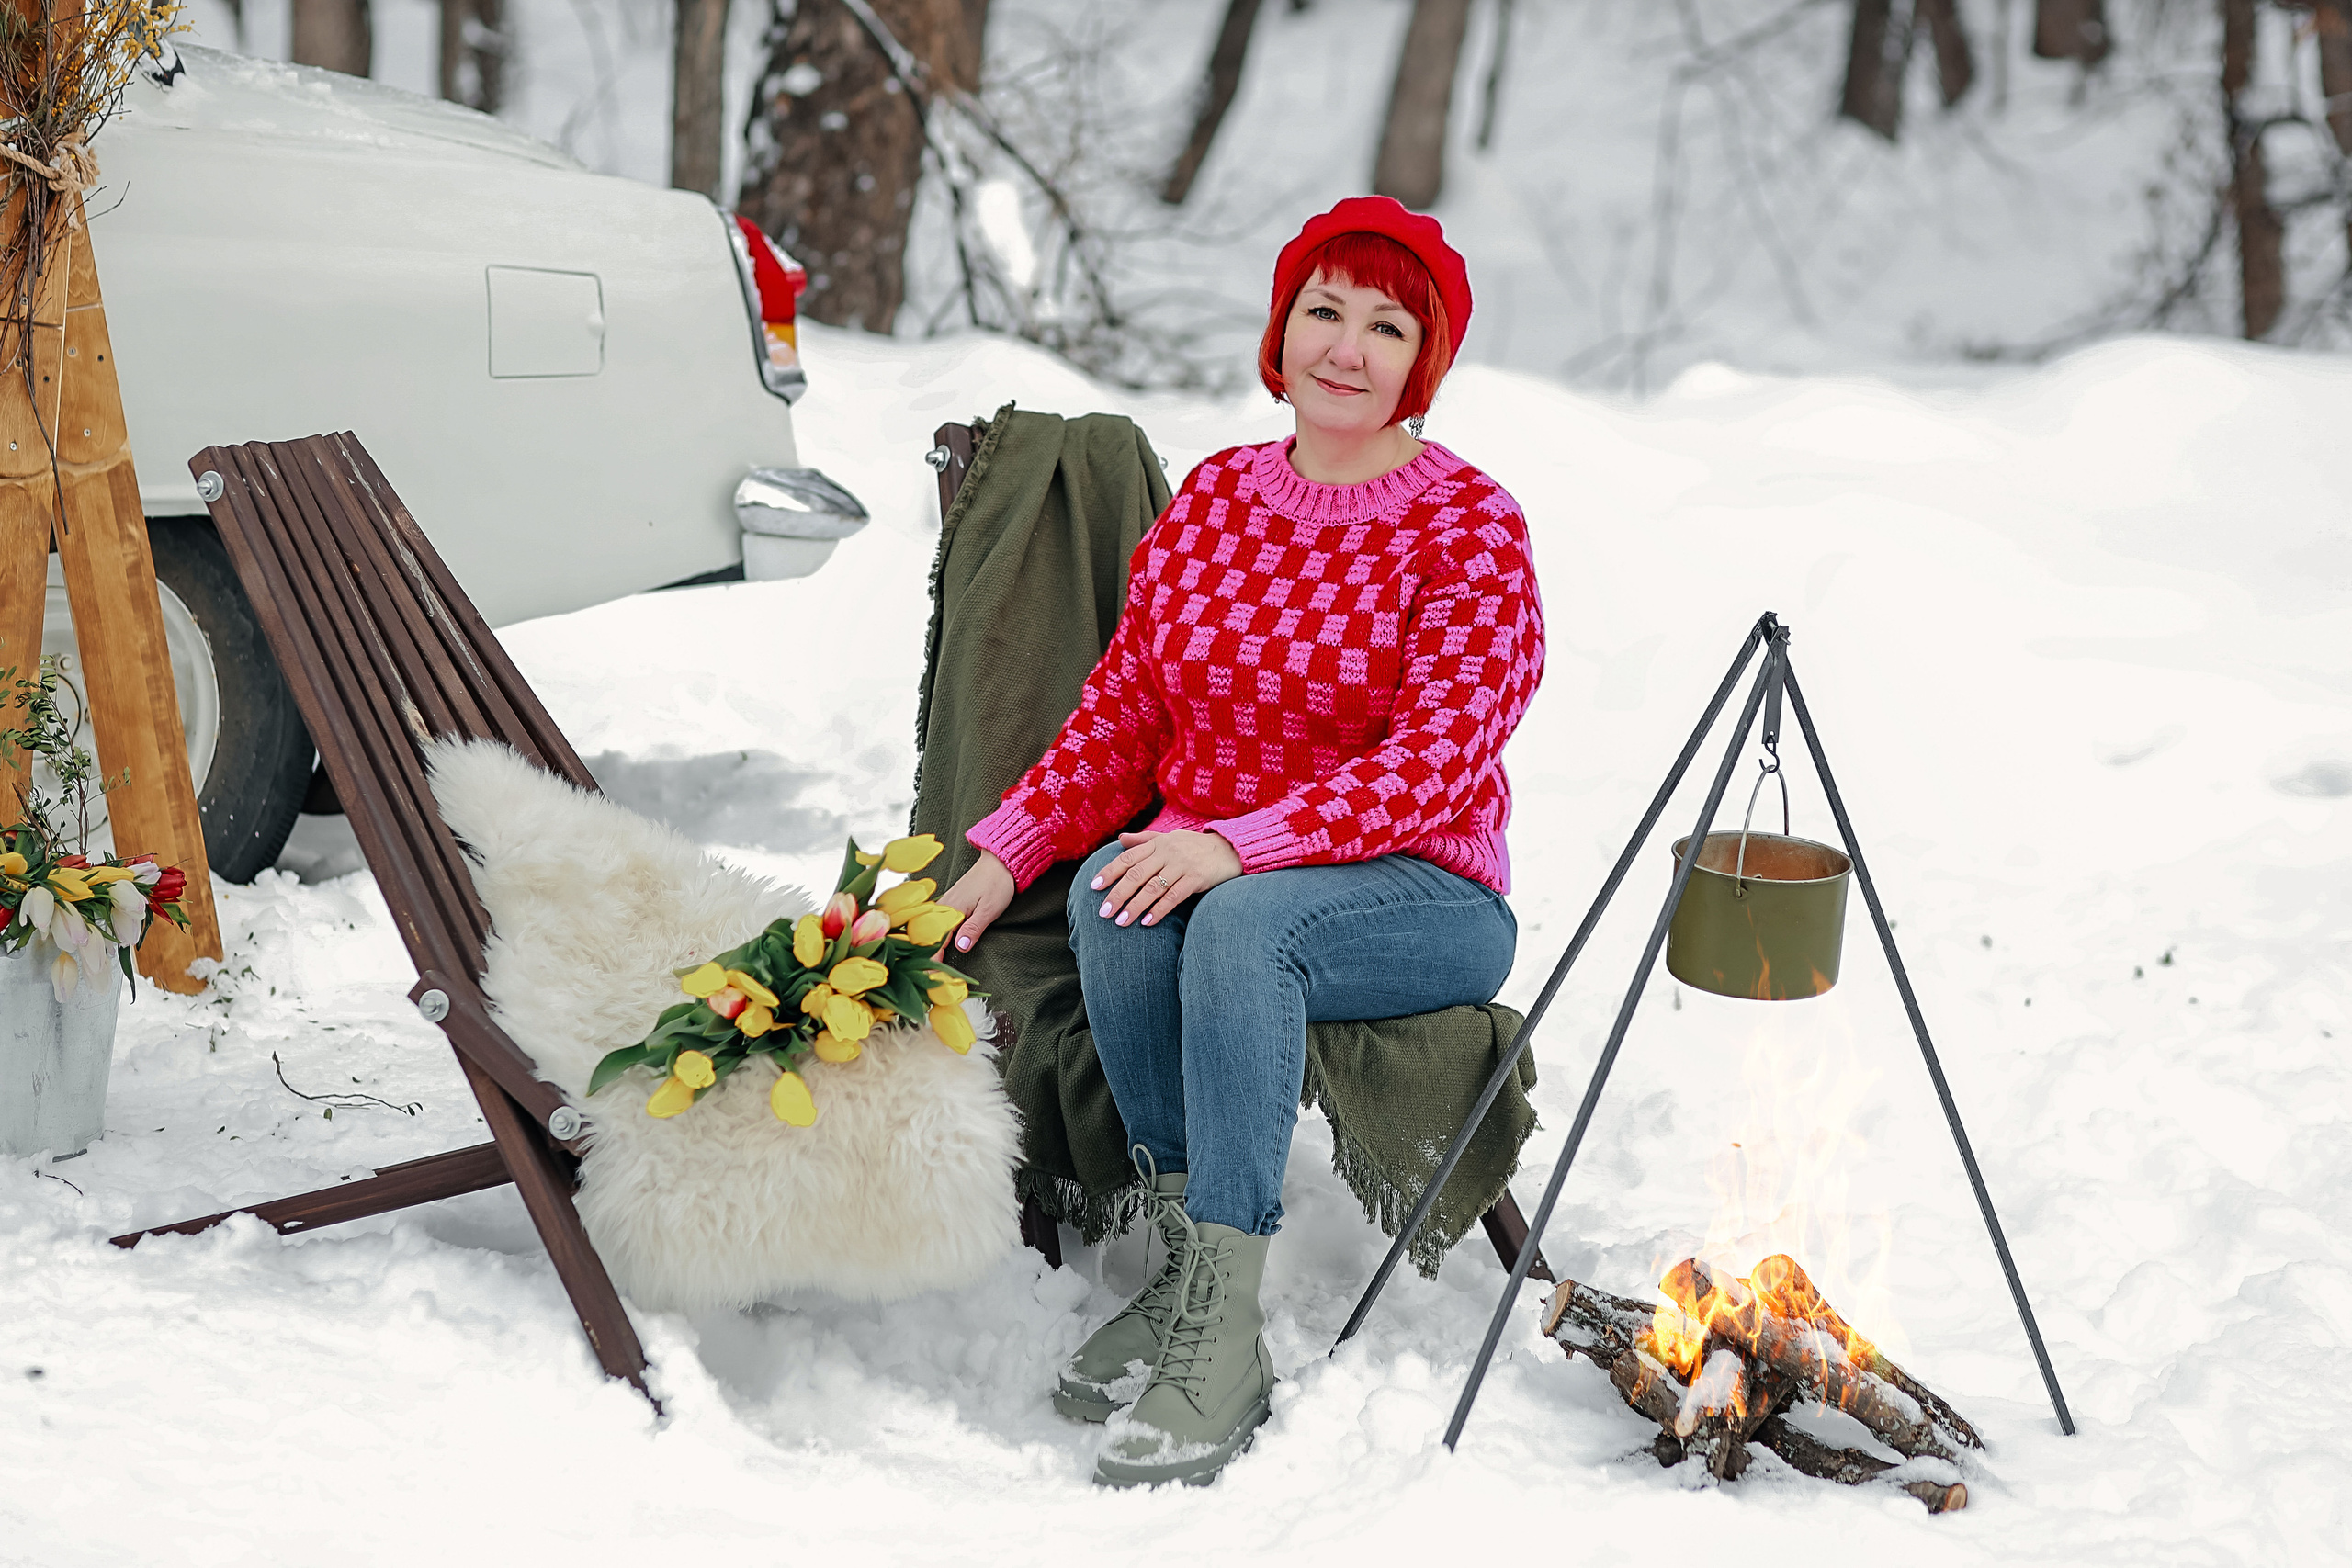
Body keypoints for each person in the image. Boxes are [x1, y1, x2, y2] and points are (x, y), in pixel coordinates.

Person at [936, 196, 1545, 1488]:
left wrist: (1240, 844)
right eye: (1325, 310)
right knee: (1115, 892)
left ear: (1423, 362)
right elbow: (1122, 718)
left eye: (1389, 326)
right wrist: (1002, 851)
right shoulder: (1215, 504)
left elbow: (1435, 763)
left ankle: (1227, 1336)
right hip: (1236, 872)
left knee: (1240, 917)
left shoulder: (1471, 529)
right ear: (1283, 329)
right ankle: (1182, 1275)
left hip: (1420, 888)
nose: (1349, 346)